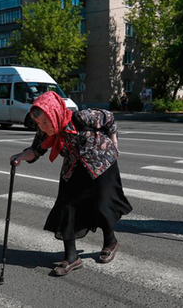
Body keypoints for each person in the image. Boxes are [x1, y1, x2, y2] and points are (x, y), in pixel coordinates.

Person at [10, 91, 132, 276]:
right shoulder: (44, 132)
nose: (42, 128)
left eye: (45, 122)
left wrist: (114, 142)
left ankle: (110, 241)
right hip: (73, 167)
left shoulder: (82, 117)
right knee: (66, 208)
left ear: (55, 114)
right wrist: (19, 157)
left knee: (102, 206)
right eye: (39, 123)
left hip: (101, 164)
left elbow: (109, 118)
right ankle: (71, 256)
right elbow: (35, 151)